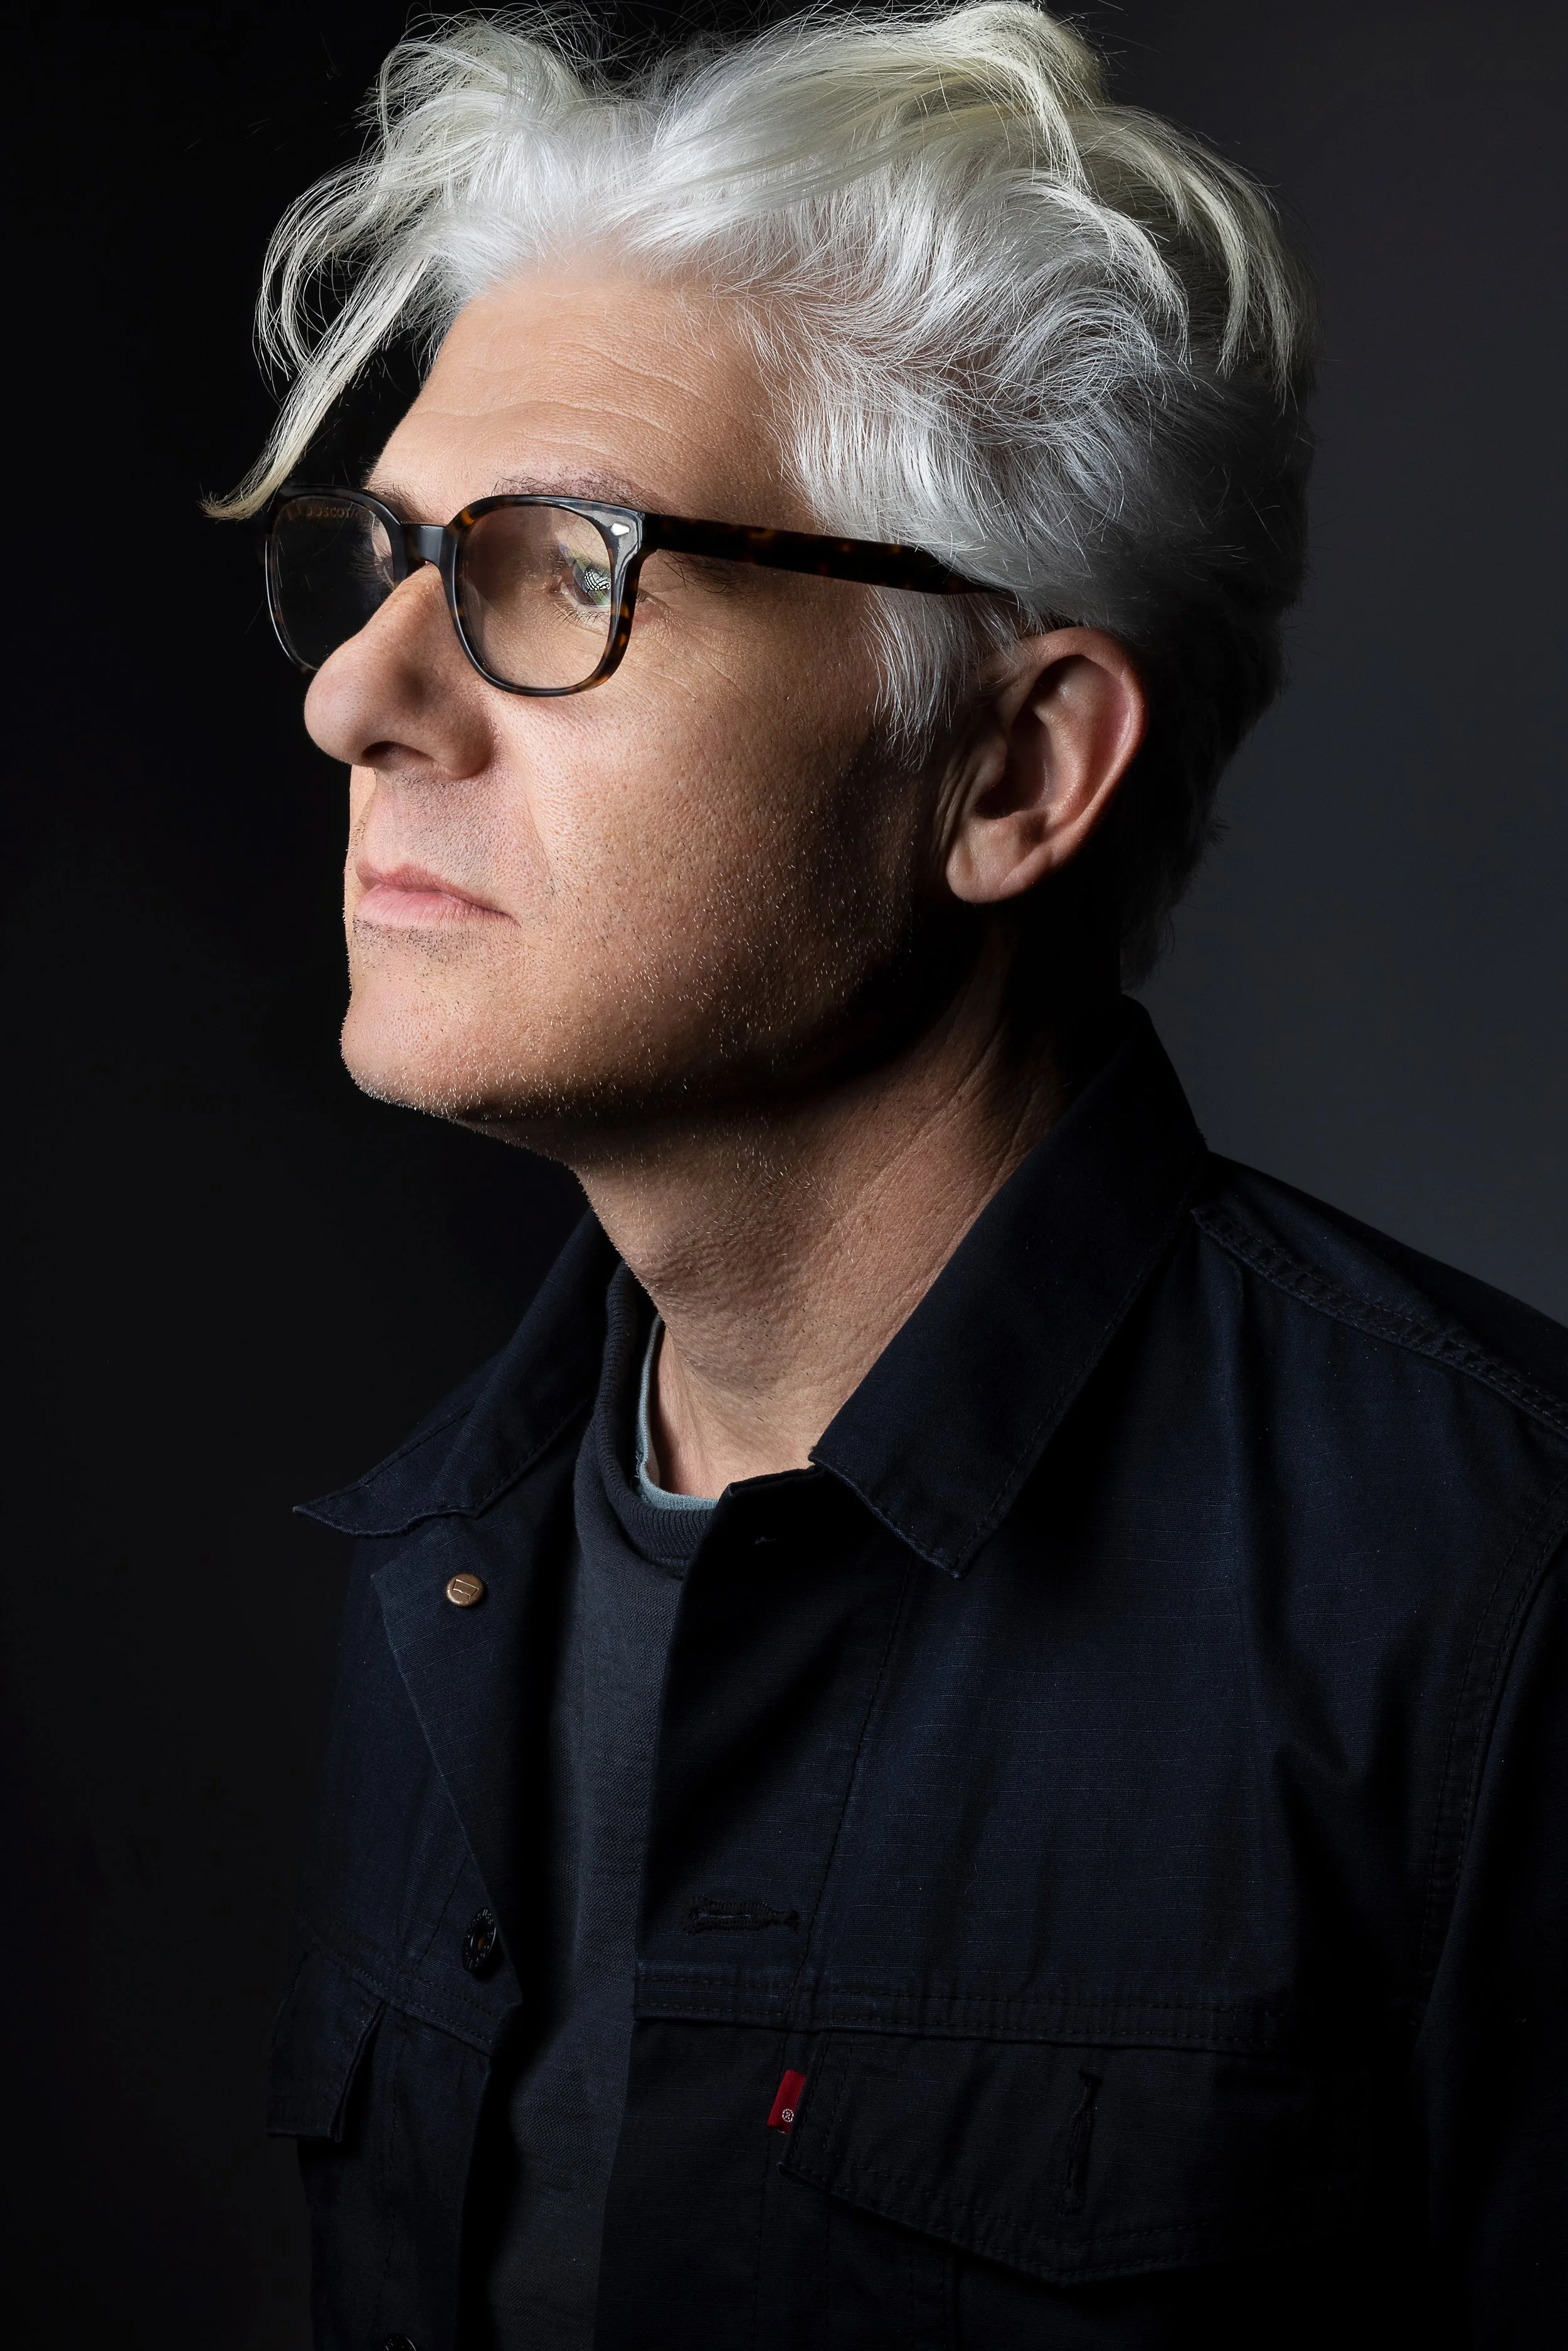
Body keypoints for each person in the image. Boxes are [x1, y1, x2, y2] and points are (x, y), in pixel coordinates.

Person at [216, 6, 1567, 2345]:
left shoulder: (1502, 1606)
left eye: (559, 569)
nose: (357, 696)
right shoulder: (442, 1570)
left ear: (1014, 768)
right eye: (390, 557)